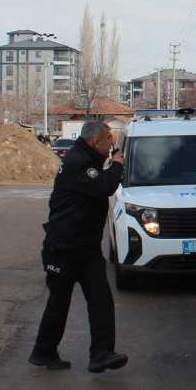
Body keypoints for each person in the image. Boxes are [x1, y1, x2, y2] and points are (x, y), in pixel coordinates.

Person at [30, 120, 129, 374]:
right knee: (59, 302)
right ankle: (44, 351)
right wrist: (117, 164)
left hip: (85, 248)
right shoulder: (80, 163)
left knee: (101, 300)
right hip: (64, 248)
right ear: (95, 141)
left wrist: (110, 165)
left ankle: (102, 354)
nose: (111, 144)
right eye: (109, 139)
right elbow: (103, 187)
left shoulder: (87, 160)